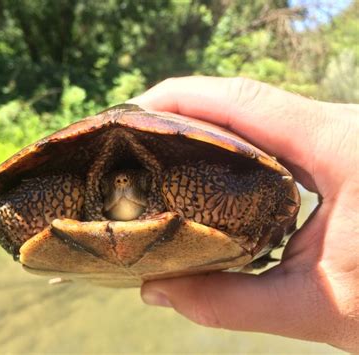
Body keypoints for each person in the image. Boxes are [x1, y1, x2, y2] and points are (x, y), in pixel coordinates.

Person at [127, 76, 359, 352]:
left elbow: (246, 185)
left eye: (133, 181)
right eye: (111, 183)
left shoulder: (185, 185)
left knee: (216, 185)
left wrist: (243, 200)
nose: (122, 186)